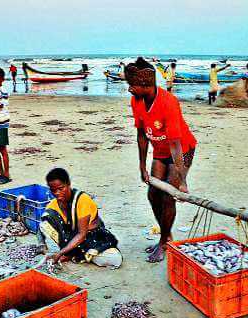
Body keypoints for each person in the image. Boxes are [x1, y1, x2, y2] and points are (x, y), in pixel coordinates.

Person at [126, 57, 198, 263]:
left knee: (168, 196)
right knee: (153, 195)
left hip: (181, 151)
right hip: (160, 150)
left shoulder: (168, 103)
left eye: (132, 85)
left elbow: (176, 144)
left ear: (145, 85)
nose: (129, 89)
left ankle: (164, 241)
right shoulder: (136, 100)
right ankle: (166, 236)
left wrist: (182, 180)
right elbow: (141, 135)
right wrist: (142, 167)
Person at [38, 168, 122, 269]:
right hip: (71, 237)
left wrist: (60, 253)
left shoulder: (82, 200)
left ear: (68, 184)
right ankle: (71, 252)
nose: (57, 193)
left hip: (91, 236)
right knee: (45, 221)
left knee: (114, 259)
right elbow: (40, 228)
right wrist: (42, 244)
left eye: (61, 188)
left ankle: (72, 253)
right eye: (53, 190)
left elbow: (82, 234)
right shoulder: (52, 206)